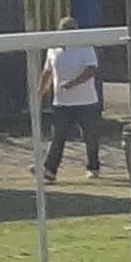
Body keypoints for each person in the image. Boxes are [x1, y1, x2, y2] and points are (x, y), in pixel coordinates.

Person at [36, 34, 108, 181]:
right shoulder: (53, 49)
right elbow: (48, 72)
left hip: (86, 102)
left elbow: (91, 69)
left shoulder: (85, 47)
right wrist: (39, 93)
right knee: (58, 136)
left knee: (90, 136)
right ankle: (50, 169)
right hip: (61, 103)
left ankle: (93, 167)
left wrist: (72, 83)